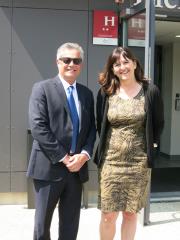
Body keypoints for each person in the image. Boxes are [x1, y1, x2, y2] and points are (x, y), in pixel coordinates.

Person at [27, 42, 96, 240]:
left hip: (77, 171)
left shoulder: (86, 94)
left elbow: (92, 128)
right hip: (48, 168)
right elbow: (38, 127)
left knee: (70, 224)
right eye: (67, 60)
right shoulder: (42, 89)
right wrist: (65, 158)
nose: (71, 64)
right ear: (58, 62)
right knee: (42, 226)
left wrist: (84, 155)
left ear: (80, 64)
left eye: (77, 60)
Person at [94, 47, 164, 240]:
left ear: (134, 64)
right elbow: (100, 124)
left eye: (126, 62)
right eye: (117, 64)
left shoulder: (150, 91)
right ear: (112, 68)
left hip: (138, 164)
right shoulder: (105, 92)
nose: (122, 67)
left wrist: (152, 149)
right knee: (108, 215)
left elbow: (158, 123)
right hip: (111, 162)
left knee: (130, 213)